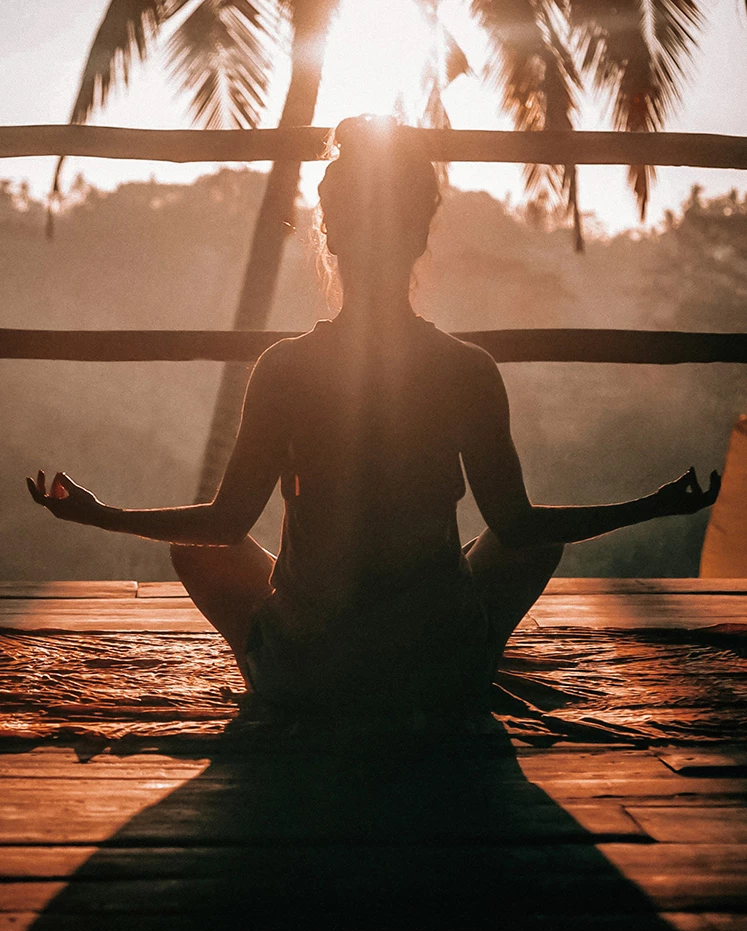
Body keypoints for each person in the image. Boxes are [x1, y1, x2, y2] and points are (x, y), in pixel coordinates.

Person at [28, 115, 720, 727]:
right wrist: (652, 505)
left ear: (328, 234)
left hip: (311, 675)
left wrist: (98, 513)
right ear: (420, 233)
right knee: (531, 542)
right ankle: (469, 667)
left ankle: (274, 680)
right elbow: (517, 526)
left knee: (196, 549)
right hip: (433, 672)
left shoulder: (285, 367)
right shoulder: (465, 368)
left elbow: (222, 525)